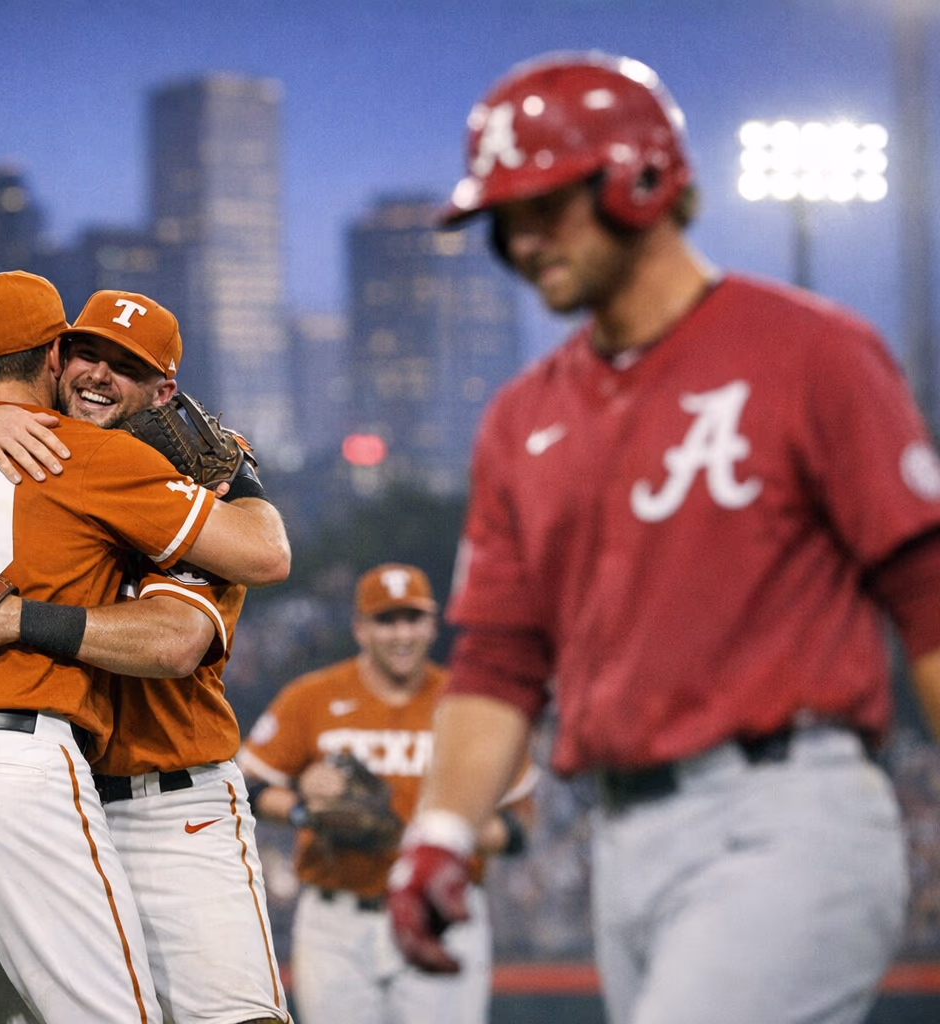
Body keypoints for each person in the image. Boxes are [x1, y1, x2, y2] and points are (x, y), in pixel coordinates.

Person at [385, 51, 940, 1024]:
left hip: (787, 814)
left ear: (640, 180)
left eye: (544, 205)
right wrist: (441, 831)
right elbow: (500, 660)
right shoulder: (522, 417)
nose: (521, 241)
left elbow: (926, 594)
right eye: (503, 219)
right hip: (623, 840)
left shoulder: (810, 351)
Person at [0, 288, 290, 1024]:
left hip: (164, 801)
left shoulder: (188, 487)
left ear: (164, 393)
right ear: (55, 356)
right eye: (88, 353)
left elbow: (179, 637)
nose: (99, 375)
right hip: (34, 786)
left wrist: (14, 618)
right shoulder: (73, 455)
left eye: (126, 366)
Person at [239, 563, 531, 1024]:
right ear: (360, 628)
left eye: (412, 619)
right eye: (386, 620)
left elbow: (518, 824)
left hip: (441, 912)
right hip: (336, 921)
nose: (402, 634)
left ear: (433, 625)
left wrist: (439, 833)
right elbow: (246, 785)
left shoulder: (465, 705)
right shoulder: (312, 697)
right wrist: (302, 804)